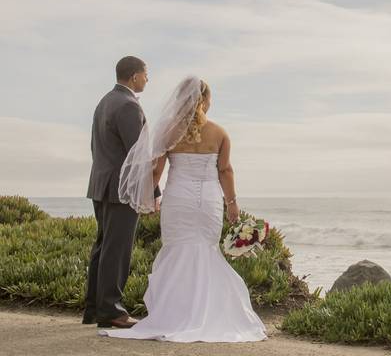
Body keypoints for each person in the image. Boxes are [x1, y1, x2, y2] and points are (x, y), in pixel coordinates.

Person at [100, 76, 267, 342]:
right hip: (208, 201)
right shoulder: (220, 133)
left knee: (176, 252)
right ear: (205, 101)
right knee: (206, 251)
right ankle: (207, 313)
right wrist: (232, 204)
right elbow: (225, 170)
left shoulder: (168, 131)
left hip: (177, 199)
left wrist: (147, 199)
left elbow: (156, 171)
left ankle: (173, 314)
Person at [83, 55, 151, 328]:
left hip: (101, 184)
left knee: (103, 247)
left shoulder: (104, 102)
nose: (147, 79)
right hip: (121, 189)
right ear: (134, 76)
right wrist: (153, 191)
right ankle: (111, 310)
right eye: (146, 74)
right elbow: (138, 155)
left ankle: (94, 309)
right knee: (117, 249)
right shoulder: (128, 106)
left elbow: (96, 147)